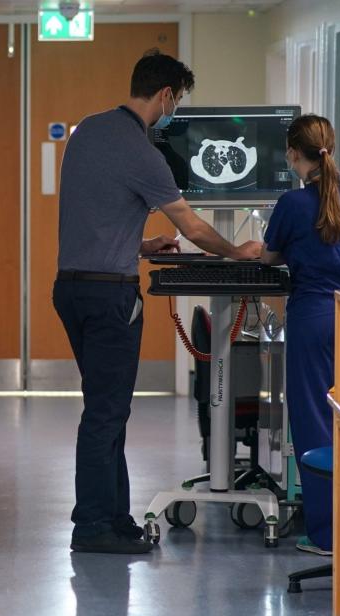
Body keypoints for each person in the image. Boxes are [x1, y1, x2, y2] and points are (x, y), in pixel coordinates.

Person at [54, 50, 262, 555]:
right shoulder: (141, 151)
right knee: (106, 413)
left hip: (73, 289)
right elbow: (190, 225)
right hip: (109, 297)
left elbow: (93, 215)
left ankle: (115, 516)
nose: (173, 111)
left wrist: (140, 245)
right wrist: (238, 253)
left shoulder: (86, 132)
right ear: (166, 95)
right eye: (177, 101)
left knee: (109, 408)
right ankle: (92, 527)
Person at [259, 114, 340, 555]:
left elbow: (269, 257)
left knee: (314, 424)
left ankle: (328, 535)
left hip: (313, 320)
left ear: (293, 153)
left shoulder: (292, 204)